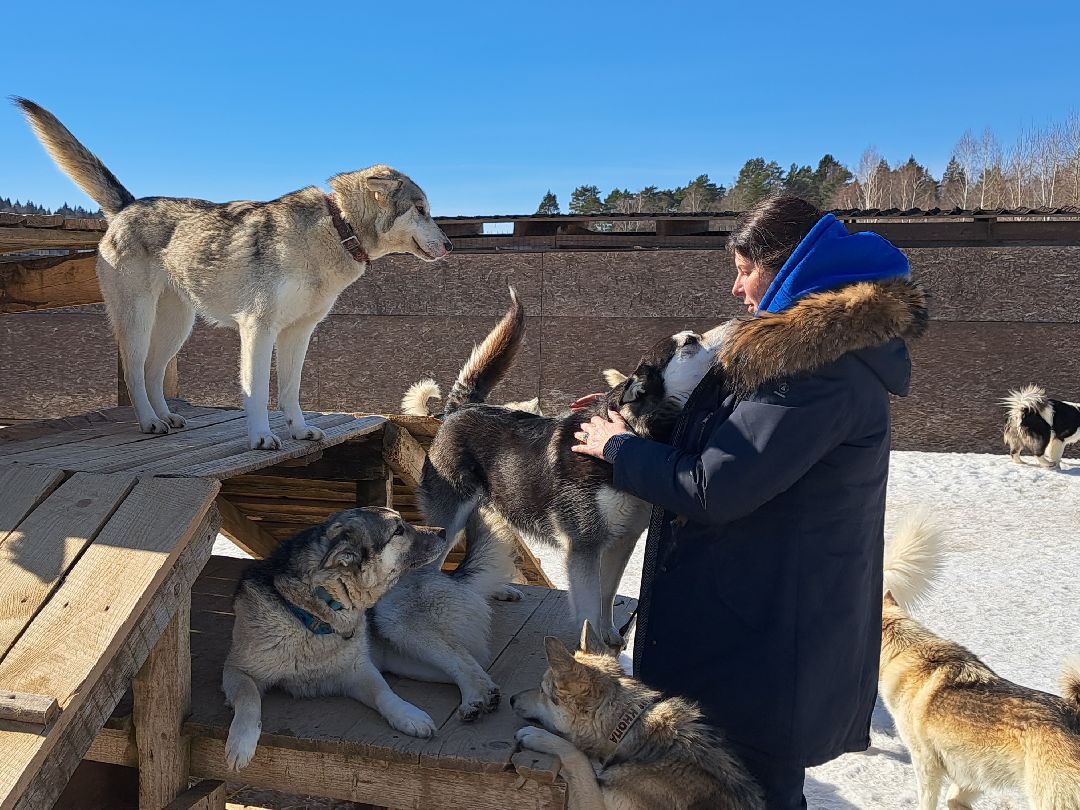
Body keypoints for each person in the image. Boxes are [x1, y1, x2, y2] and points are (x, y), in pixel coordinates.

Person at [571, 196, 928, 808]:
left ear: (789, 266)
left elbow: (717, 486)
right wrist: (639, 417)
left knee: (754, 790)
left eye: (745, 270)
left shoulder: (817, 370)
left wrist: (620, 450)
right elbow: (730, 442)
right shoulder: (802, 352)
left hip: (765, 650)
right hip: (757, 624)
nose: (737, 289)